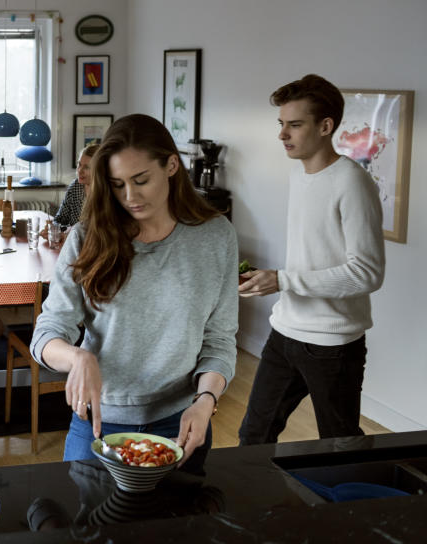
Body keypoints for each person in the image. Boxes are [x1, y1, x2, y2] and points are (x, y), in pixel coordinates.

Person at [29, 114, 238, 465]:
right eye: (117, 184)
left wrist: (206, 401)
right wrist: (76, 356)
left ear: (172, 165)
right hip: (99, 422)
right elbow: (47, 333)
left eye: (141, 180)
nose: (130, 196)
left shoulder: (216, 237)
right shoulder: (86, 237)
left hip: (182, 420)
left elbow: (219, 339)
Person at [238, 74, 385, 444]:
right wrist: (270, 279)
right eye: (281, 124)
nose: (282, 134)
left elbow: (367, 273)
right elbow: (313, 257)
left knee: (340, 444)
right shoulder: (300, 174)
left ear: (325, 126)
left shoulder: (352, 182)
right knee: (253, 435)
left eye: (295, 125)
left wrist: (283, 280)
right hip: (285, 331)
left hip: (332, 346)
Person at [52, 143, 99, 227]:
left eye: (87, 167)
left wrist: (68, 231)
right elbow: (59, 219)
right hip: (72, 239)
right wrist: (53, 229)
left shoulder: (107, 192)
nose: (79, 171)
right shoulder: (75, 186)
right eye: (79, 164)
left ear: (99, 169)